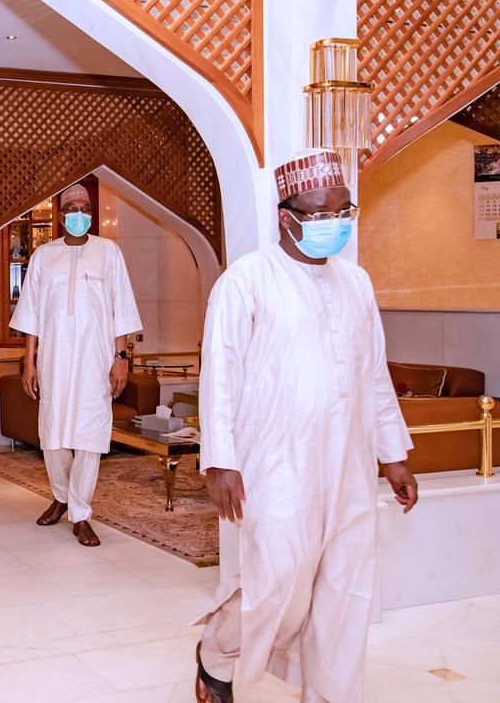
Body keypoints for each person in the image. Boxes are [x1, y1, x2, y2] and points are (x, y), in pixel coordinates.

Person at [194, 149, 419, 703]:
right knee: (277, 584)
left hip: (348, 465)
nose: (334, 224)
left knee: (346, 591)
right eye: (320, 213)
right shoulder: (246, 281)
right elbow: (219, 375)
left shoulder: (357, 283)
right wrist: (220, 460)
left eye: (343, 212)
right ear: (286, 217)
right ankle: (217, 651)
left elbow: (373, 372)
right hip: (276, 464)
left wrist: (392, 455)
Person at [10, 183, 142, 547]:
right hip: (53, 360)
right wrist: (29, 362)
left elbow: (121, 309)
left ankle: (80, 513)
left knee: (89, 435)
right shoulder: (43, 256)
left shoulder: (108, 252)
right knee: (52, 434)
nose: (79, 214)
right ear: (61, 215)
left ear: (92, 213)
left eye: (85, 207)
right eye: (72, 209)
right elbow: (31, 314)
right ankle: (61, 495)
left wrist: (120, 359)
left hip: (95, 360)